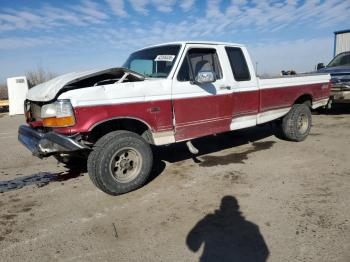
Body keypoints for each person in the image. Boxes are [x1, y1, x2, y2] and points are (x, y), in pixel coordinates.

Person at [186, 196, 269, 262]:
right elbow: (264, 252)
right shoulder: (251, 227)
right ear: (237, 208)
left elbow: (192, 244)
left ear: (221, 207)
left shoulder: (209, 222)